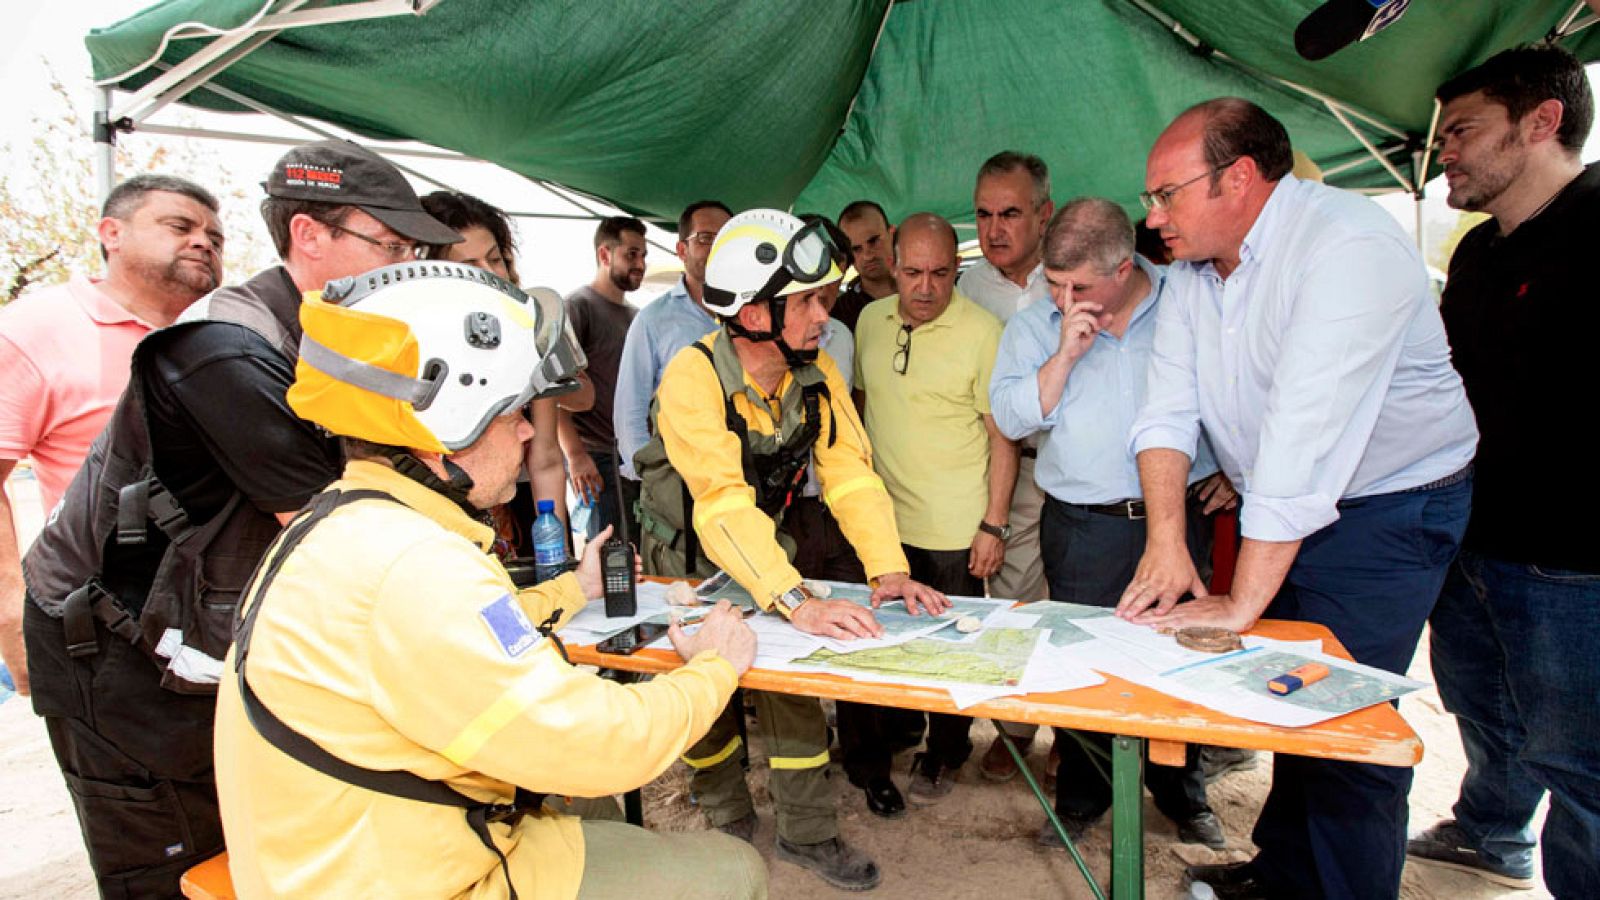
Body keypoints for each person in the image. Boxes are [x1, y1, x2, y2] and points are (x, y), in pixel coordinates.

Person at [213, 263, 765, 899]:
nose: (531, 430)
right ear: (444, 435)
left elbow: (469, 630)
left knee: (589, 815)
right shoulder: (416, 568)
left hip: (356, 852)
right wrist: (716, 668)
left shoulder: (347, 520)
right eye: (511, 414)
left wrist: (572, 590)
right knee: (734, 870)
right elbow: (603, 746)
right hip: (420, 876)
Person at [21, 139, 460, 897]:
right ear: (309, 236)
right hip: (116, 650)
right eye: (389, 244)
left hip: (203, 632)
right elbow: (337, 530)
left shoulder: (328, 340)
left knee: (258, 842)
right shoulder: (227, 347)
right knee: (178, 862)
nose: (404, 263)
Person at [1117, 99, 1478, 899]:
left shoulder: (1345, 246)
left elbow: (1300, 434)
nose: (1154, 217)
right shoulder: (1189, 274)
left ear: (1238, 178)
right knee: (1285, 697)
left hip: (1388, 510)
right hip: (1287, 506)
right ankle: (1283, 877)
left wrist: (1240, 600)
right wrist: (1167, 540)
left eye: (1165, 194)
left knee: (1346, 726)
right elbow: (1167, 411)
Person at [636, 208, 949, 892]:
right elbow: (718, 501)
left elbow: (852, 474)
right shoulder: (691, 380)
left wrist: (887, 568)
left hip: (764, 550)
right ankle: (724, 816)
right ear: (751, 312)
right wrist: (796, 600)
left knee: (793, 690)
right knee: (710, 693)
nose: (823, 313)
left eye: (823, 296)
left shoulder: (818, 373)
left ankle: (807, 833)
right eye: (806, 299)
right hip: (686, 562)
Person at [1406, 45, 1599, 897]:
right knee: (1485, 711)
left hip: (1574, 560)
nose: (1443, 149)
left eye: (1463, 131)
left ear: (1542, 122)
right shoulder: (1479, 253)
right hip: (1473, 537)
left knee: (1581, 756)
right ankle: (1493, 831)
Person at [990, 197, 1230, 850]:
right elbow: (1010, 420)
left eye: (1078, 287)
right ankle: (1082, 798)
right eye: (1055, 283)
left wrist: (1234, 467)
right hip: (1083, 528)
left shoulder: (1189, 299)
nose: (1063, 297)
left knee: (1181, 664)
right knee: (1085, 666)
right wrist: (1063, 355)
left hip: (1179, 520)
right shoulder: (1038, 323)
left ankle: (1184, 796)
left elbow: (1246, 387)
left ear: (1124, 268)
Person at [1, 175, 222, 699]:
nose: (204, 242)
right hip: (107, 627)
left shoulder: (222, 331)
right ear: (111, 233)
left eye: (216, 237)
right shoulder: (37, 328)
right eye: (179, 226)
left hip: (222, 617)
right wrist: (13, 616)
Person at [853, 213, 1016, 802]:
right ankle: (901, 730)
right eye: (914, 272)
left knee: (952, 647)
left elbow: (1003, 437)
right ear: (892, 267)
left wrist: (993, 525)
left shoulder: (984, 331)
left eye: (941, 274)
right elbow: (863, 408)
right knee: (888, 644)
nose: (926, 288)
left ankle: (946, 751)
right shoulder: (870, 321)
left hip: (953, 525)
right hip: (883, 528)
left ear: (958, 269)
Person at [954, 152, 1059, 781]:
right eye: (984, 214)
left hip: (1079, 469)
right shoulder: (967, 288)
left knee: (1079, 600)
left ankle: (1076, 736)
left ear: (1044, 214)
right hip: (1007, 470)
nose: (995, 228)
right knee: (1014, 596)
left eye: (1011, 213)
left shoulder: (1074, 271)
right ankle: (1016, 730)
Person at [419, 190, 589, 552]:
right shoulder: (415, 337)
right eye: (469, 265)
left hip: (520, 506)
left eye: (495, 259)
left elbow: (544, 457)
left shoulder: (529, 326)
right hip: (439, 517)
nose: (490, 275)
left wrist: (554, 559)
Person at [613, 200, 730, 486]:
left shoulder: (755, 315)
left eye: (726, 237)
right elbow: (630, 412)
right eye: (705, 238)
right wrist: (653, 479)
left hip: (743, 475)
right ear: (682, 250)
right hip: (679, 482)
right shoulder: (653, 321)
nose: (717, 247)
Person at [561, 216, 645, 539]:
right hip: (595, 458)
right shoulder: (577, 307)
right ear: (605, 255)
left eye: (643, 256)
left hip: (633, 457)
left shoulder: (638, 317)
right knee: (610, 560)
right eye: (631, 254)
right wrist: (575, 455)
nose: (640, 264)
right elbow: (554, 395)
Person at [834, 200, 897, 331]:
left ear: (892, 233)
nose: (868, 256)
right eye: (856, 249)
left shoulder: (925, 288)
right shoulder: (840, 315)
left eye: (873, 241)